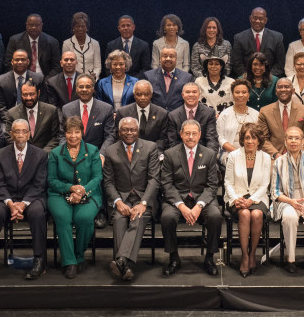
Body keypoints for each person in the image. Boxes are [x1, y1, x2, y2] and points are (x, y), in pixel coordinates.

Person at [0, 119, 48, 281]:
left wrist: (23, 205)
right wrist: (11, 204)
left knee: (38, 213)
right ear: (11, 134)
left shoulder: (41, 155)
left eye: (24, 131)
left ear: (29, 134)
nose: (20, 135)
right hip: (6, 197)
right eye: (16, 131)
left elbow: (39, 185)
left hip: (31, 197)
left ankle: (39, 260)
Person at [160, 120, 222, 277]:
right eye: (187, 133)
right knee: (167, 217)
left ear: (200, 135)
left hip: (202, 199)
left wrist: (198, 206)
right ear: (181, 134)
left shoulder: (208, 154)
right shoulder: (170, 154)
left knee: (215, 216)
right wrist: (181, 206)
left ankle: (209, 258)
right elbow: (167, 184)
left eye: (194, 133)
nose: (190, 137)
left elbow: (212, 185)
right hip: (177, 199)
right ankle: (174, 258)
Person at [103, 117, 160, 281]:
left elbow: (154, 179)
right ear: (119, 132)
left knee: (137, 219)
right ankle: (125, 265)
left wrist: (143, 203)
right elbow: (108, 182)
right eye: (125, 130)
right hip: (121, 199)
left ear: (138, 130)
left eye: (133, 129)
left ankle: (120, 261)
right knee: (120, 220)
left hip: (143, 199)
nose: (129, 133)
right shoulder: (111, 151)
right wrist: (118, 202)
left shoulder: (150, 148)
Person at [48, 116, 103, 279]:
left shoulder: (92, 151)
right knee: (63, 218)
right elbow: (51, 180)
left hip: (89, 192)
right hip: (59, 194)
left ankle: (79, 255)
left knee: (84, 218)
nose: (73, 136)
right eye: (69, 132)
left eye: (77, 132)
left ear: (82, 133)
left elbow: (97, 177)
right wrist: (70, 188)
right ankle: (70, 262)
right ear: (64, 134)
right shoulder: (55, 153)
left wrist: (81, 191)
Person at [271, 126, 304, 274]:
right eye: (290, 138)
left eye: (297, 138)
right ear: (285, 141)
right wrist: (291, 202)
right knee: (289, 217)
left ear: (302, 141)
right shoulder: (279, 162)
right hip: (287, 200)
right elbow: (275, 191)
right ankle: (291, 259)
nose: (293, 141)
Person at [224, 123, 271, 277]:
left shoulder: (265, 157)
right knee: (244, 214)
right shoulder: (233, 156)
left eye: (254, 137)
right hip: (237, 196)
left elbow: (265, 184)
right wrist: (235, 198)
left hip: (258, 197)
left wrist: (252, 200)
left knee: (256, 215)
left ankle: (253, 254)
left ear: (259, 140)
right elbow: (228, 183)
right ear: (242, 140)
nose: (250, 141)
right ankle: (244, 256)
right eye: (247, 137)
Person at [257, 78, 304, 158]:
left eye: (286, 87)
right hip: (274, 157)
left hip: (298, 156)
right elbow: (263, 138)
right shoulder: (265, 111)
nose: (283, 89)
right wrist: (276, 154)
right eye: (280, 87)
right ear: (276, 91)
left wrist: (297, 152)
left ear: (293, 91)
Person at [61, 73, 116, 153]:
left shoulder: (106, 109)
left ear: (93, 89)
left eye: (88, 87)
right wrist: (68, 152)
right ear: (76, 89)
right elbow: (62, 135)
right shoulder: (67, 109)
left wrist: (101, 155)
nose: (84, 89)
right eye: (81, 87)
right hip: (72, 155)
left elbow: (110, 136)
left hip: (97, 155)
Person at [4, 80, 62, 153]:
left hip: (45, 155)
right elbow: (9, 137)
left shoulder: (51, 110)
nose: (28, 98)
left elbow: (55, 137)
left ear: (38, 93)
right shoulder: (12, 113)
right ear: (21, 95)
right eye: (25, 95)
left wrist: (43, 153)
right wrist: (24, 151)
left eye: (32, 94)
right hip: (22, 154)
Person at [115, 80, 169, 152]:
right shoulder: (123, 113)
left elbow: (163, 139)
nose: (142, 97)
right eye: (139, 94)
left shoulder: (162, 113)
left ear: (151, 95)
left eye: (146, 94)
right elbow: (118, 137)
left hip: (153, 152)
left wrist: (150, 152)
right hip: (129, 152)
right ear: (134, 95)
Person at [231, 7, 286, 77]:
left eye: (261, 19)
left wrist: (268, 77)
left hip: (270, 80)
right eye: (255, 18)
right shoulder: (239, 38)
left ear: (265, 20)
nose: (257, 21)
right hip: (247, 80)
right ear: (250, 18)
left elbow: (280, 63)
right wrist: (247, 77)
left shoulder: (277, 37)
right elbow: (237, 63)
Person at [216, 79, 259, 164]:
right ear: (232, 94)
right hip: (229, 153)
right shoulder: (224, 115)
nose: (240, 95)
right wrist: (238, 153)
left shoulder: (256, 114)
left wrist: (249, 153)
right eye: (237, 92)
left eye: (244, 92)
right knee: (236, 163)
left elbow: (260, 138)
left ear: (248, 95)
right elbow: (220, 138)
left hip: (253, 152)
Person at [4, 13, 61, 78]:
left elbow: (57, 67)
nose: (34, 27)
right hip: (22, 78)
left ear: (41, 26)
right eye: (31, 25)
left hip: (45, 79)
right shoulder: (15, 41)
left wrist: (46, 82)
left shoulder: (52, 42)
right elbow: (9, 64)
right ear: (26, 25)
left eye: (37, 25)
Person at [0, 50, 45, 119]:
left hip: (33, 118)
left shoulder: (38, 79)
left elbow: (42, 103)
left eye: (23, 60)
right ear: (12, 62)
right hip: (8, 120)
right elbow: (0, 108)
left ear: (28, 62)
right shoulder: (1, 81)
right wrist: (11, 121)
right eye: (17, 60)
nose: (20, 62)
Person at [165, 82, 218, 150]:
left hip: (203, 155)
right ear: (182, 95)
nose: (191, 95)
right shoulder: (173, 115)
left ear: (199, 95)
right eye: (187, 92)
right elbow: (172, 142)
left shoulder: (209, 113)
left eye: (194, 92)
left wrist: (207, 158)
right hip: (181, 155)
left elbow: (212, 139)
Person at [144, 46, 193, 111]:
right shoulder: (149, 76)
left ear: (176, 59)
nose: (168, 58)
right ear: (160, 59)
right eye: (165, 56)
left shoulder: (186, 77)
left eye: (171, 56)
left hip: (177, 117)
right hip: (156, 116)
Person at [62, 12, 101, 78]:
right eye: (77, 26)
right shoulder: (67, 43)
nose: (80, 29)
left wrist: (93, 77)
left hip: (91, 80)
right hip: (73, 80)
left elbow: (97, 66)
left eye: (83, 26)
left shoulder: (95, 43)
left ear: (87, 28)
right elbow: (65, 65)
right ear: (73, 28)